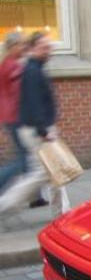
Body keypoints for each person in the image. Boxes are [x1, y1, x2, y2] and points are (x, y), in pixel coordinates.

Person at [0, 32, 69, 218]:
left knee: (53, 172)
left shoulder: (33, 67)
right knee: (39, 172)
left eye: (50, 47)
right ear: (32, 48)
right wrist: (43, 130)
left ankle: (62, 213)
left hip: (33, 125)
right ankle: (4, 204)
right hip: (32, 127)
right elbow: (32, 101)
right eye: (44, 47)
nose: (49, 51)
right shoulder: (27, 70)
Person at [0, 32, 28, 192]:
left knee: (27, 156)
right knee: (24, 160)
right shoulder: (14, 67)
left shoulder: (5, 63)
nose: (24, 47)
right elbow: (20, 94)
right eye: (21, 44)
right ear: (13, 46)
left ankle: (35, 196)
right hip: (16, 117)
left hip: (8, 116)